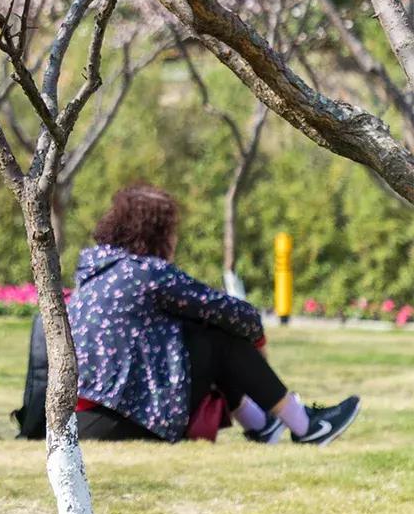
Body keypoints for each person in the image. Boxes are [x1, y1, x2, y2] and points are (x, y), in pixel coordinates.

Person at [68, 183, 361, 446]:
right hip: (120, 417)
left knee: (199, 339)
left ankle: (263, 425)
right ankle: (306, 426)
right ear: (156, 232)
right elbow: (238, 314)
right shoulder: (148, 273)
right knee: (217, 337)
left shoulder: (96, 271)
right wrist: (259, 345)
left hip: (83, 419)